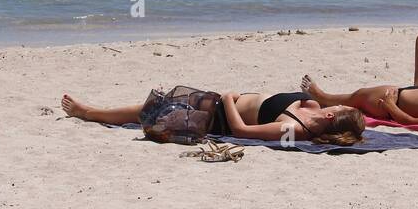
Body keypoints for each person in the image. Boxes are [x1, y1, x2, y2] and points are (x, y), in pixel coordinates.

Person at [60, 88, 366, 145]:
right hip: (219, 101)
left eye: (340, 110)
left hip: (217, 117)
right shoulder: (312, 109)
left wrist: (231, 99)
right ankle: (92, 111)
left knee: (151, 113)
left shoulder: (293, 129)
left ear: (330, 119)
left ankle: (88, 113)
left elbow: (242, 131)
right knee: (162, 101)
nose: (335, 106)